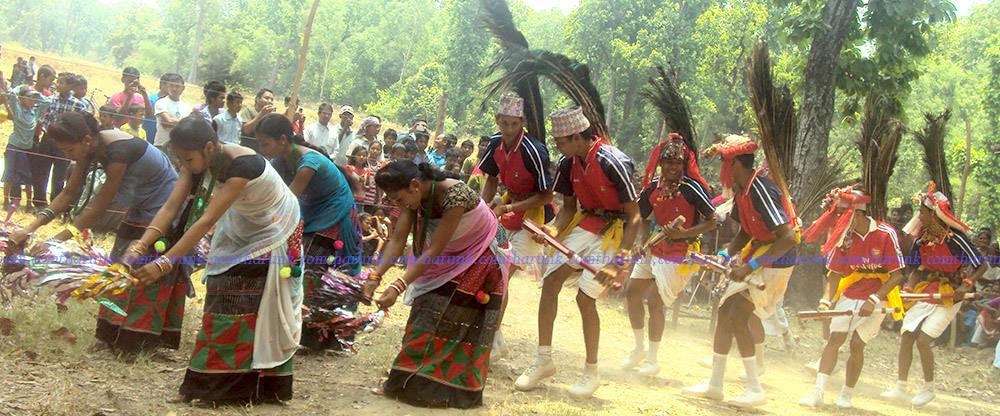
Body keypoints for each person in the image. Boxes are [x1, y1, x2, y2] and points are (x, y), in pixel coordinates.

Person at [128, 115, 303, 405]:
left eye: (188, 158)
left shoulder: (241, 166)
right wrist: (140, 245)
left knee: (237, 298)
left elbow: (206, 219)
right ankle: (208, 383)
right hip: (241, 226)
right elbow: (172, 206)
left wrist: (164, 263)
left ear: (209, 148)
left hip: (275, 229)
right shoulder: (196, 161)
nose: (186, 164)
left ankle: (231, 387)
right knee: (221, 293)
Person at [9, 112, 183, 353]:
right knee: (117, 267)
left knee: (140, 268)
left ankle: (137, 343)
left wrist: (54, 241)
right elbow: (68, 194)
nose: (66, 155)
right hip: (139, 204)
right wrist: (29, 228)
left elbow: (99, 207)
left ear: (87, 140)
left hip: (164, 204)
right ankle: (110, 335)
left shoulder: (118, 153)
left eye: (69, 150)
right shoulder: (88, 146)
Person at [514, 107, 640, 399]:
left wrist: (618, 263)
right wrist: (555, 230)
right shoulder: (568, 162)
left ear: (575, 137)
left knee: (585, 299)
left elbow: (634, 217)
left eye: (560, 141)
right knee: (550, 282)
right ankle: (543, 360)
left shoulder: (613, 161)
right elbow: (568, 208)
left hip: (617, 232)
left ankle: (591, 372)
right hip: (586, 223)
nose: (557, 147)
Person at [362, 161, 509, 408]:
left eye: (398, 199)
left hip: (482, 256)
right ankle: (402, 381)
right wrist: (375, 276)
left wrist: (398, 286)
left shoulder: (455, 195)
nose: (399, 205)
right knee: (425, 311)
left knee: (449, 315)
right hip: (449, 256)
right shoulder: (414, 196)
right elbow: (397, 239)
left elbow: (435, 250)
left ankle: (449, 388)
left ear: (414, 185)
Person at [682, 135, 799, 408]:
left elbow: (788, 238)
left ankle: (755, 388)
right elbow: (747, 230)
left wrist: (750, 266)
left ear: (733, 163)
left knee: (737, 314)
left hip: (777, 260)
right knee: (725, 312)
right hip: (760, 255)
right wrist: (726, 254)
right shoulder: (742, 189)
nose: (722, 167)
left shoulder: (760, 188)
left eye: (724, 161)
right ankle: (715, 384)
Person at [255, 113, 363, 351]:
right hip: (312, 216)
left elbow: (286, 201)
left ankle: (319, 334)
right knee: (301, 268)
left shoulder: (308, 163)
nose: (262, 149)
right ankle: (301, 329)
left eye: (265, 143)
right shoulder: (279, 163)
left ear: (283, 139)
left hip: (335, 218)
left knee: (315, 271)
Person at [797, 187, 906, 408]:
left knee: (857, 343)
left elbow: (897, 276)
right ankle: (818, 392)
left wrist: (874, 300)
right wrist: (826, 300)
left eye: (842, 215)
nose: (838, 219)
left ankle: (846, 394)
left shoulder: (886, 233)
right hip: (851, 291)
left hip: (880, 295)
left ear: (857, 214)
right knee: (834, 339)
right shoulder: (843, 237)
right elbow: (834, 275)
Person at [880, 183, 986, 407]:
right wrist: (908, 289)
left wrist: (966, 285)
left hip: (951, 294)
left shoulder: (956, 239)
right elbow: (915, 271)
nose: (919, 215)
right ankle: (900, 387)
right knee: (907, 334)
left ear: (934, 214)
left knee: (924, 339)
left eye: (922, 212)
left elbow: (982, 264)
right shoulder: (921, 241)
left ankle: (929, 389)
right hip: (927, 290)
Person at [623, 133, 716, 377]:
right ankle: (638, 349)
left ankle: (653, 361)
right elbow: (642, 217)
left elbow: (712, 221)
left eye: (678, 163)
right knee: (631, 293)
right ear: (661, 163)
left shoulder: (692, 188)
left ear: (684, 165)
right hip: (654, 247)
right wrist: (642, 241)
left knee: (655, 301)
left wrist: (685, 233)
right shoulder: (653, 187)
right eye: (669, 162)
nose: (673, 168)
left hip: (680, 252)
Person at [32, 71, 88, 208]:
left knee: (60, 174)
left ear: (70, 86)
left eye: (61, 82)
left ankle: (55, 205)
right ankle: (39, 203)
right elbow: (44, 119)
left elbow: (80, 126)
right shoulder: (51, 100)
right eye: (57, 82)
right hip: (48, 139)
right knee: (41, 172)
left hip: (65, 143)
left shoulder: (77, 105)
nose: (57, 84)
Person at [2, 87, 43, 209]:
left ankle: (29, 203)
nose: (32, 100)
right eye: (29, 97)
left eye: (34, 98)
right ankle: (6, 201)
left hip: (27, 148)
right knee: (9, 174)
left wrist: (38, 96)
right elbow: (13, 95)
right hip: (14, 146)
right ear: (21, 99)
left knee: (27, 176)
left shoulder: (35, 112)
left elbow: (47, 102)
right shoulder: (17, 109)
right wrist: (22, 87)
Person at [153, 73, 190, 153]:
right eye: (171, 86)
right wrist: (183, 121)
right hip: (162, 145)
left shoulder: (186, 107)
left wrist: (175, 121)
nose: (174, 89)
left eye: (177, 86)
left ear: (183, 88)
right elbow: (167, 122)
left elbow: (187, 126)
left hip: (178, 147)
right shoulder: (161, 102)